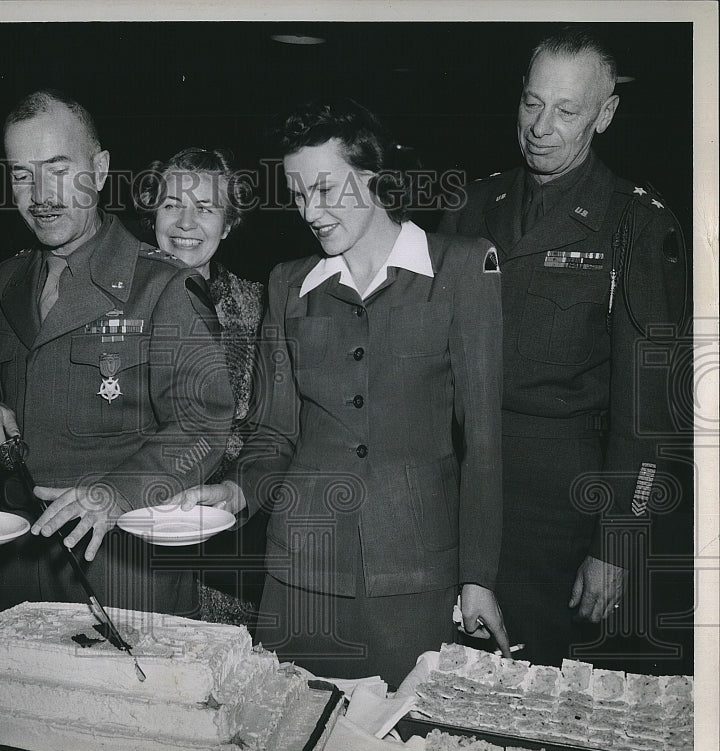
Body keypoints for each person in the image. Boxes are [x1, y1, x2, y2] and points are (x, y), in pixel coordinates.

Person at [174, 99, 511, 687]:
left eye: (327, 190)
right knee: (283, 746)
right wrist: (239, 491)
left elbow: (482, 442)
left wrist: (477, 578)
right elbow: (274, 432)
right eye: (300, 194)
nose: (311, 211)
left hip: (414, 575)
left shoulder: (463, 268)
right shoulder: (288, 283)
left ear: (373, 177)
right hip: (298, 571)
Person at [438, 27, 690, 666]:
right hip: (457, 494)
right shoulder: (473, 206)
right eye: (531, 103)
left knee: (527, 692)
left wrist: (618, 544)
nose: (540, 127)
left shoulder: (637, 221)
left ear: (604, 115)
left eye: (566, 111)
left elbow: (650, 409)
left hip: (558, 513)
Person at [0, 90, 234, 618]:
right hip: (12, 565)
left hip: (123, 572)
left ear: (100, 169)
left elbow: (205, 426)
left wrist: (116, 493)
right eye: (21, 174)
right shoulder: (1, 282)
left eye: (58, 170)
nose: (40, 195)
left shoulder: (162, 286)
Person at [136, 147, 266, 626]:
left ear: (228, 225)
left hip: (226, 551)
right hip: (130, 537)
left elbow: (269, 432)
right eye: (172, 205)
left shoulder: (257, 308)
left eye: (206, 209)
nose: (185, 222)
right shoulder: (112, 303)